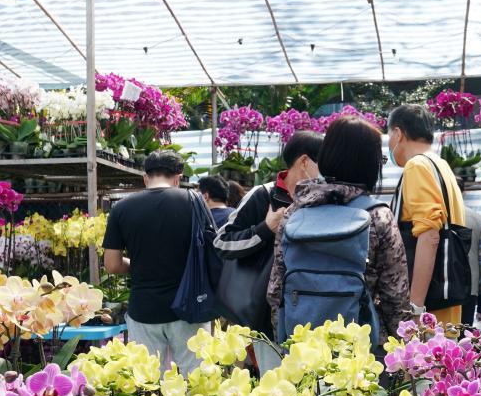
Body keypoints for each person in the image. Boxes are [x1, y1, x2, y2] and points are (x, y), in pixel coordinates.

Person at [267, 116, 410, 346]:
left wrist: (285, 342)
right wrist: (401, 350)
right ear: (370, 164)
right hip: (361, 354)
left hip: (303, 349)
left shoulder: (294, 213)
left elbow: (276, 290)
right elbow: (396, 297)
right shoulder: (378, 217)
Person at [213, 131, 322, 370]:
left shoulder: (322, 199)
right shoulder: (264, 195)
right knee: (275, 386)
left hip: (310, 312)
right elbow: (222, 242)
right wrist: (265, 228)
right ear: (303, 162)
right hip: (265, 316)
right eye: (320, 161)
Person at [102, 150, 210, 374]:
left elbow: (112, 264)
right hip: (190, 308)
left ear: (145, 177)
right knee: (198, 381)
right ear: (178, 178)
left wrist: (140, 265)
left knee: (147, 383)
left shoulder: (121, 208)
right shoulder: (194, 202)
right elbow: (211, 250)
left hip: (144, 309)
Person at [387, 104, 466, 324]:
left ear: (398, 133)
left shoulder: (417, 166)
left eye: (389, 135)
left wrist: (415, 308)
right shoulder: (441, 166)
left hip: (427, 311)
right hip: (444, 302)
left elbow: (429, 235)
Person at [462, 206, 481, 326]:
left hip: (437, 289)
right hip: (469, 289)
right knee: (463, 337)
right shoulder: (477, 219)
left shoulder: (433, 215)